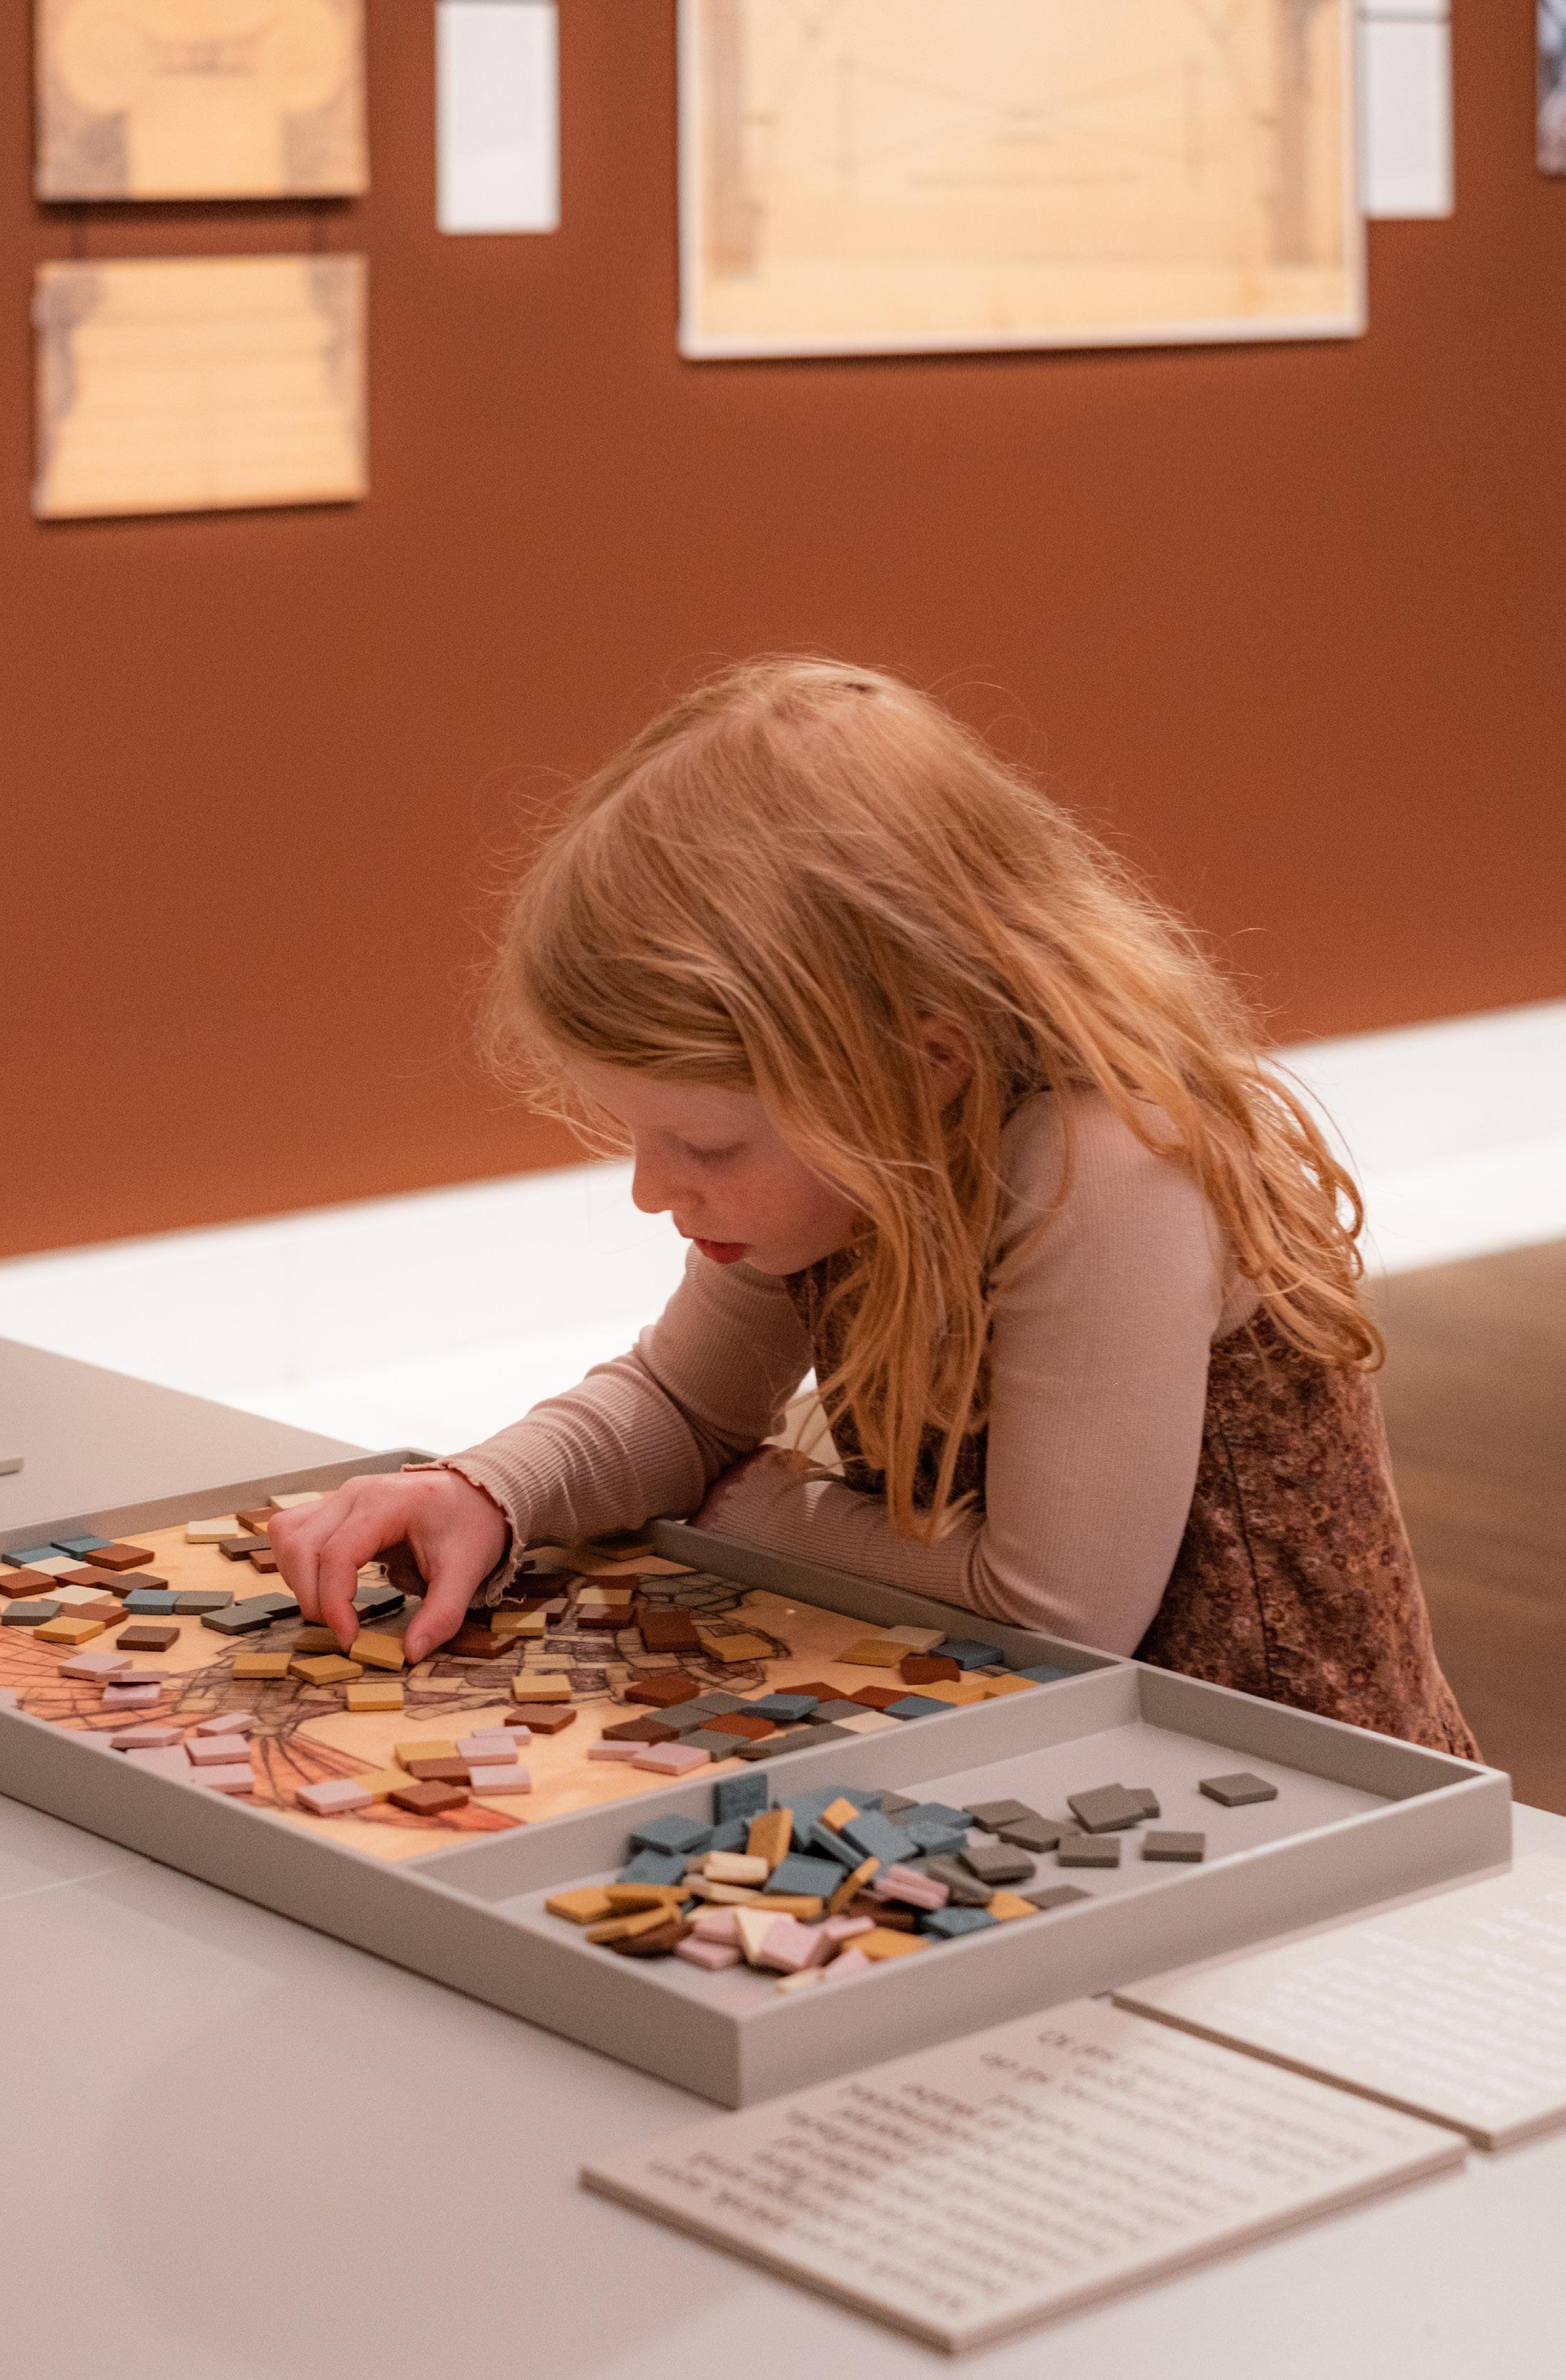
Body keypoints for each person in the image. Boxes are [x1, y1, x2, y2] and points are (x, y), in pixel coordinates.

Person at [272, 659, 1479, 1757]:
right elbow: (684, 1404)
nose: (650, 1189)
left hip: (1283, 1781)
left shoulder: (1110, 1166)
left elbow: (1058, 1617)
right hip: (1047, 1752)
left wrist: (748, 1508)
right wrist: (486, 1490)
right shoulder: (848, 1167)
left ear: (921, 1063)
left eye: (705, 1144)